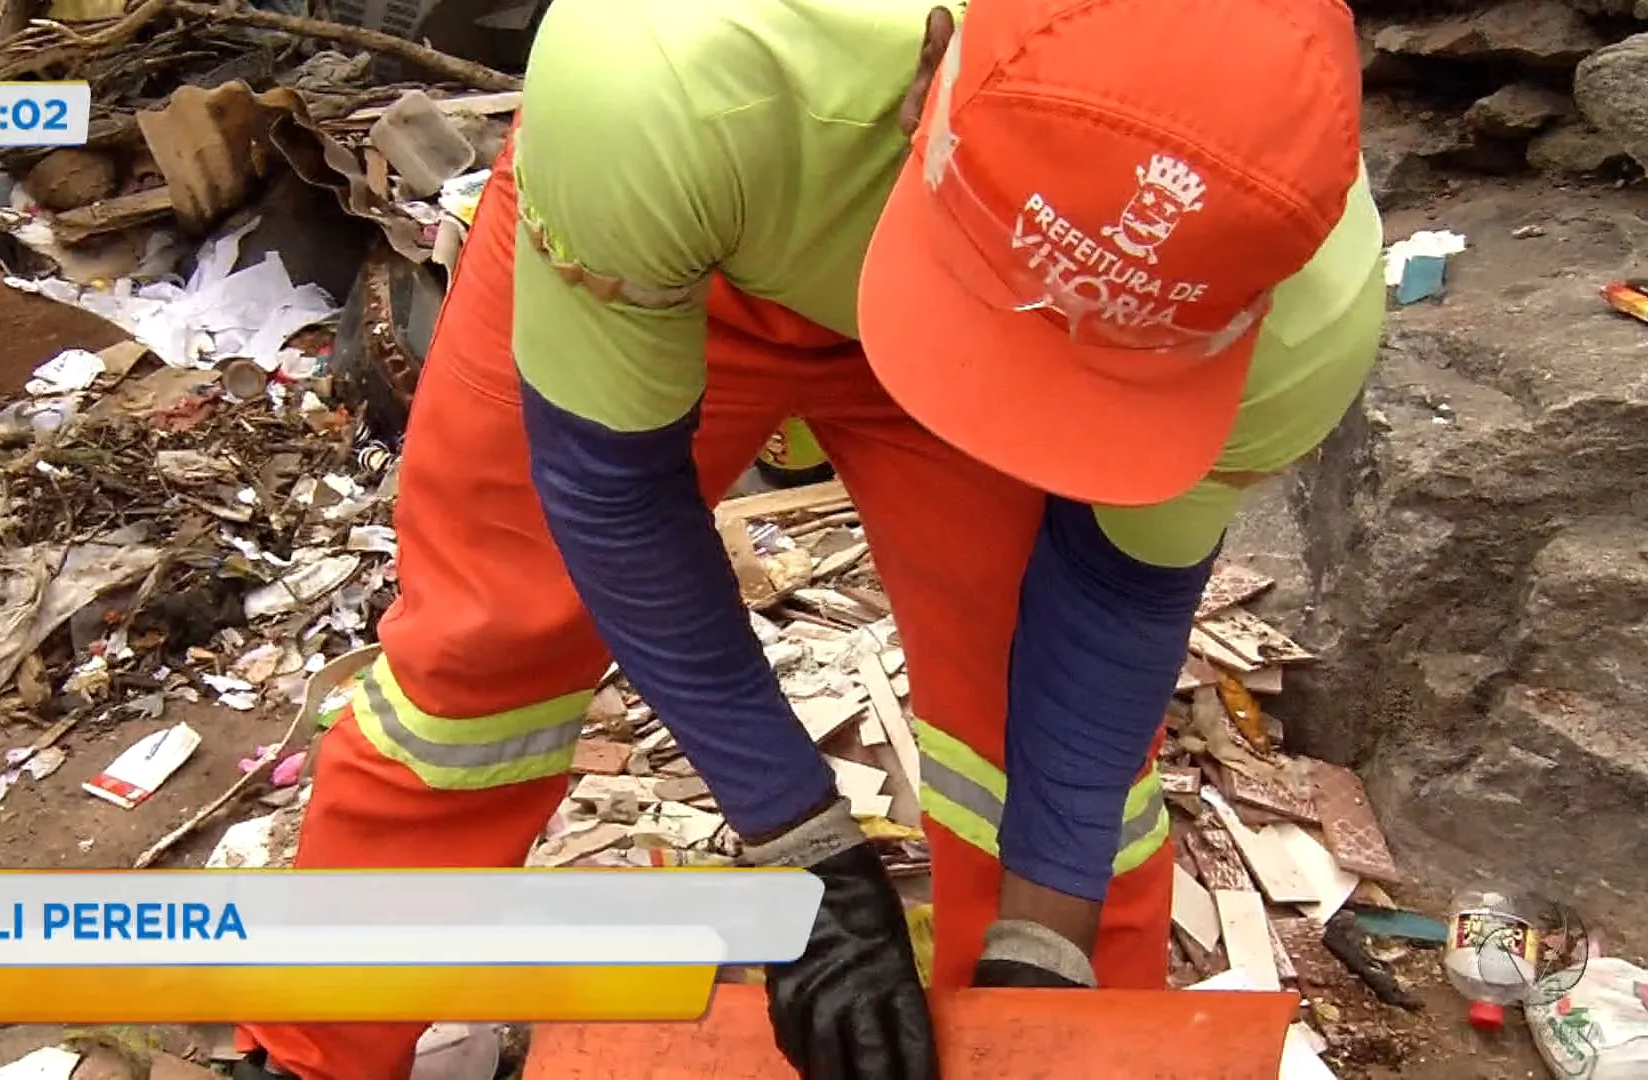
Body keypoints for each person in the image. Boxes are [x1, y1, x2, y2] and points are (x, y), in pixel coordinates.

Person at [235, 0, 1384, 1073]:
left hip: (1073, 357)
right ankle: (315, 1046)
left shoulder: (1293, 309)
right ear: (929, 75)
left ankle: (1055, 1038)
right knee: (482, 660)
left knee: (1027, 730)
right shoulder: (664, 69)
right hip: (694, 234)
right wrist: (802, 842)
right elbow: (613, 493)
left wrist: (1046, 950)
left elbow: (1114, 608)